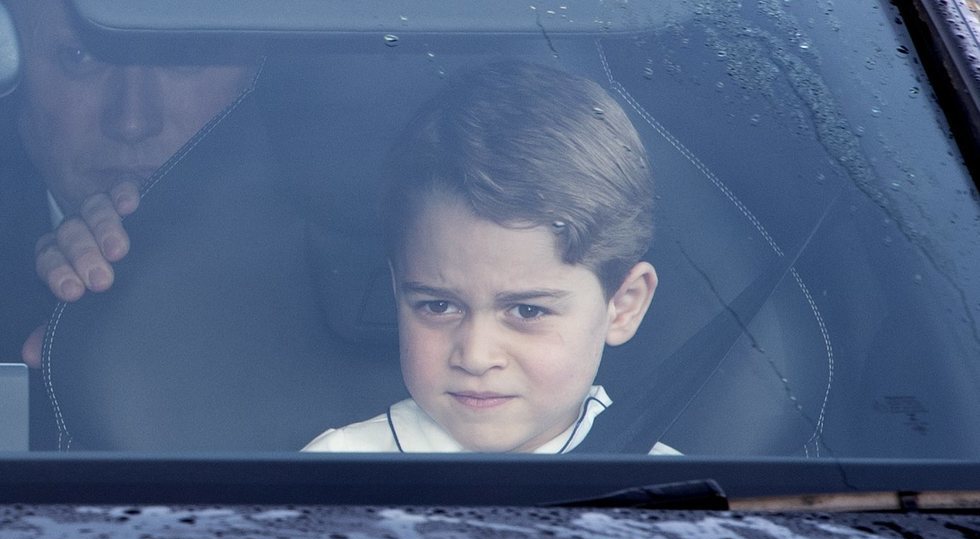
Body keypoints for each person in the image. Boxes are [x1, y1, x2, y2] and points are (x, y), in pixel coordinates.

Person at [304, 61, 678, 454]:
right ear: (398, 293)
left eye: (527, 311)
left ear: (623, 305)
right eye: (438, 305)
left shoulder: (680, 493)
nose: (476, 356)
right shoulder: (338, 470)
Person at [0, 0, 257, 368]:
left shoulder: (349, 279)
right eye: (80, 56)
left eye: (182, 55)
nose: (132, 121)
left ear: (259, 65)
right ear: (13, 65)